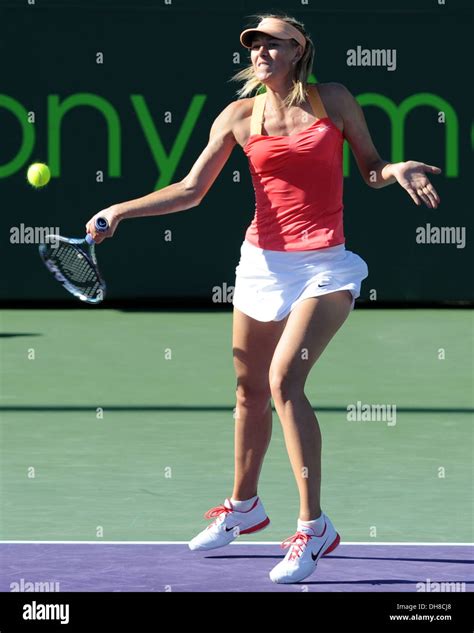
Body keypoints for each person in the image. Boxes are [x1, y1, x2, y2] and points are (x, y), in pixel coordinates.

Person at [86, 13, 441, 584]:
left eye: (274, 43)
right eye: (255, 44)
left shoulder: (334, 99)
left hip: (325, 266)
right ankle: (244, 506)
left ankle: (313, 525)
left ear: (299, 50)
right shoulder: (239, 117)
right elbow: (190, 190)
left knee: (283, 383)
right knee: (249, 391)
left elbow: (371, 169)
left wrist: (396, 168)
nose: (261, 52)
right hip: (260, 266)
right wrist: (120, 211)